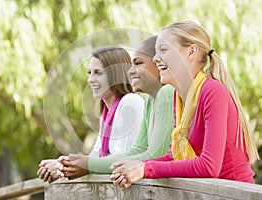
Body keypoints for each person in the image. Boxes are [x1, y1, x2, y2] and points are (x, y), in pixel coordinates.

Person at [110, 21, 259, 188]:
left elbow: (209, 167)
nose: (155, 58)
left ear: (191, 52)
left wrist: (147, 168)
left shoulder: (213, 91)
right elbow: (175, 156)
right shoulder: (179, 97)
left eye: (164, 50)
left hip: (233, 193)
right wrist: (137, 165)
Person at [40, 35, 175, 182]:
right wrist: (64, 165)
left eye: (98, 72)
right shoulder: (148, 99)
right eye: (89, 73)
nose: (90, 79)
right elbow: (134, 151)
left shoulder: (137, 100)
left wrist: (86, 166)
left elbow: (153, 156)